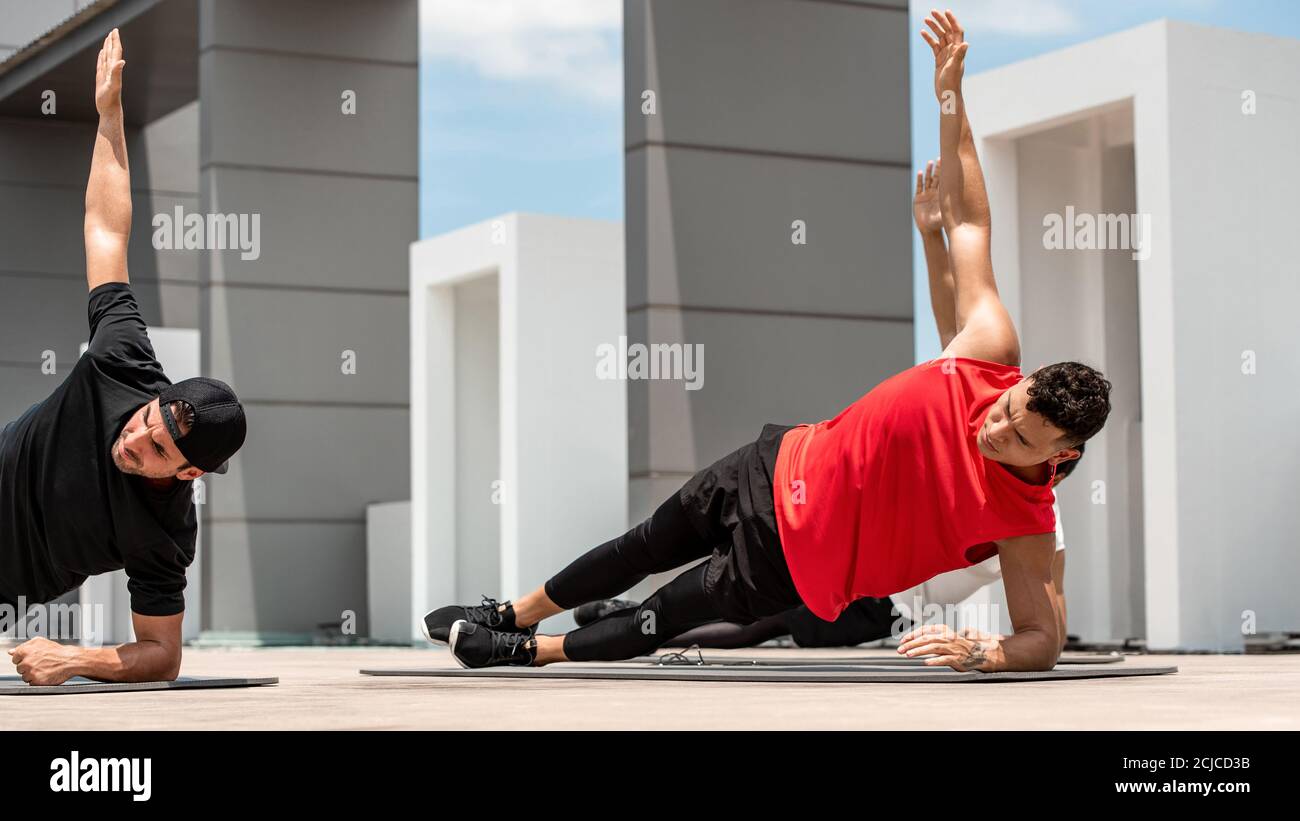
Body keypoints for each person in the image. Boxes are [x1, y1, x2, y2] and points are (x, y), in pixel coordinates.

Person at [423, 9, 1110, 673]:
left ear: (1064, 453)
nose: (994, 430)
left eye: (1020, 438)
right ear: (1023, 380)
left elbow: (1041, 637)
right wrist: (950, 95)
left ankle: (528, 653)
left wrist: (985, 651)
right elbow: (971, 222)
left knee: (661, 614)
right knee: (641, 544)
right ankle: (513, 613)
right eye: (1007, 411)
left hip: (796, 561)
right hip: (774, 461)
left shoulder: (1026, 520)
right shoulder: (989, 348)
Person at [573, 156, 1084, 651]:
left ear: (1052, 460)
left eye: (1023, 442)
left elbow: (1047, 612)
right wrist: (932, 235)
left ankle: (625, 622)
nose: (1001, 437)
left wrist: (1016, 643)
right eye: (1011, 425)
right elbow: (954, 329)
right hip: (858, 568)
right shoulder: (987, 441)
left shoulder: (1039, 519)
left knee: (758, 622)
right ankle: (622, 620)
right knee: (747, 607)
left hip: (882, 600)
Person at [1, 30, 247, 685]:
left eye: (158, 448)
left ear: (190, 473)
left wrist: (75, 657)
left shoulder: (164, 535)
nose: (136, 436)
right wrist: (108, 114)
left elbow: (163, 655)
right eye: (147, 420)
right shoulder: (126, 360)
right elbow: (108, 229)